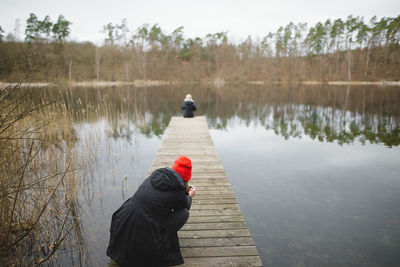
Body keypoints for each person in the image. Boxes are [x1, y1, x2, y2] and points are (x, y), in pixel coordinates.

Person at [106, 156, 196, 267]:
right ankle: (162, 238)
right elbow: (185, 204)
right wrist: (190, 195)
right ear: (186, 179)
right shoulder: (178, 193)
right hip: (144, 230)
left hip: (124, 216)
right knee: (183, 213)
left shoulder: (153, 177)